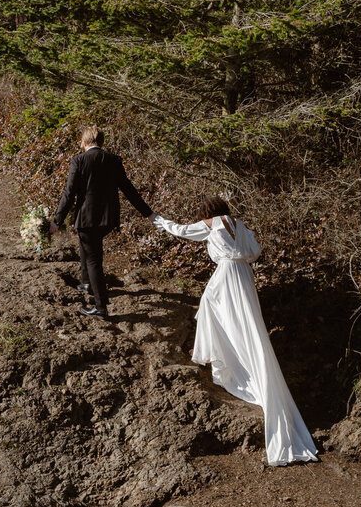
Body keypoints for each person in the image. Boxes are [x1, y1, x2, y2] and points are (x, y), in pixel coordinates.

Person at [153, 198, 319, 466]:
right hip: (244, 274)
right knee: (243, 322)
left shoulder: (212, 223)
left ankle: (210, 353)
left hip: (228, 273)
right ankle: (212, 351)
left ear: (208, 212)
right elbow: (255, 252)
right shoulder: (239, 224)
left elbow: (183, 231)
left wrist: (158, 221)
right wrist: (236, 252)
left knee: (212, 306)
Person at [51, 126, 154, 319]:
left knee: (93, 259)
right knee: (87, 247)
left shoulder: (79, 161)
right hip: (108, 218)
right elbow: (128, 189)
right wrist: (148, 213)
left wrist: (57, 220)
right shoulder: (113, 160)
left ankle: (100, 307)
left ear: (84, 142)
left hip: (87, 218)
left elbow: (69, 192)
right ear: (101, 142)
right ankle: (86, 283)